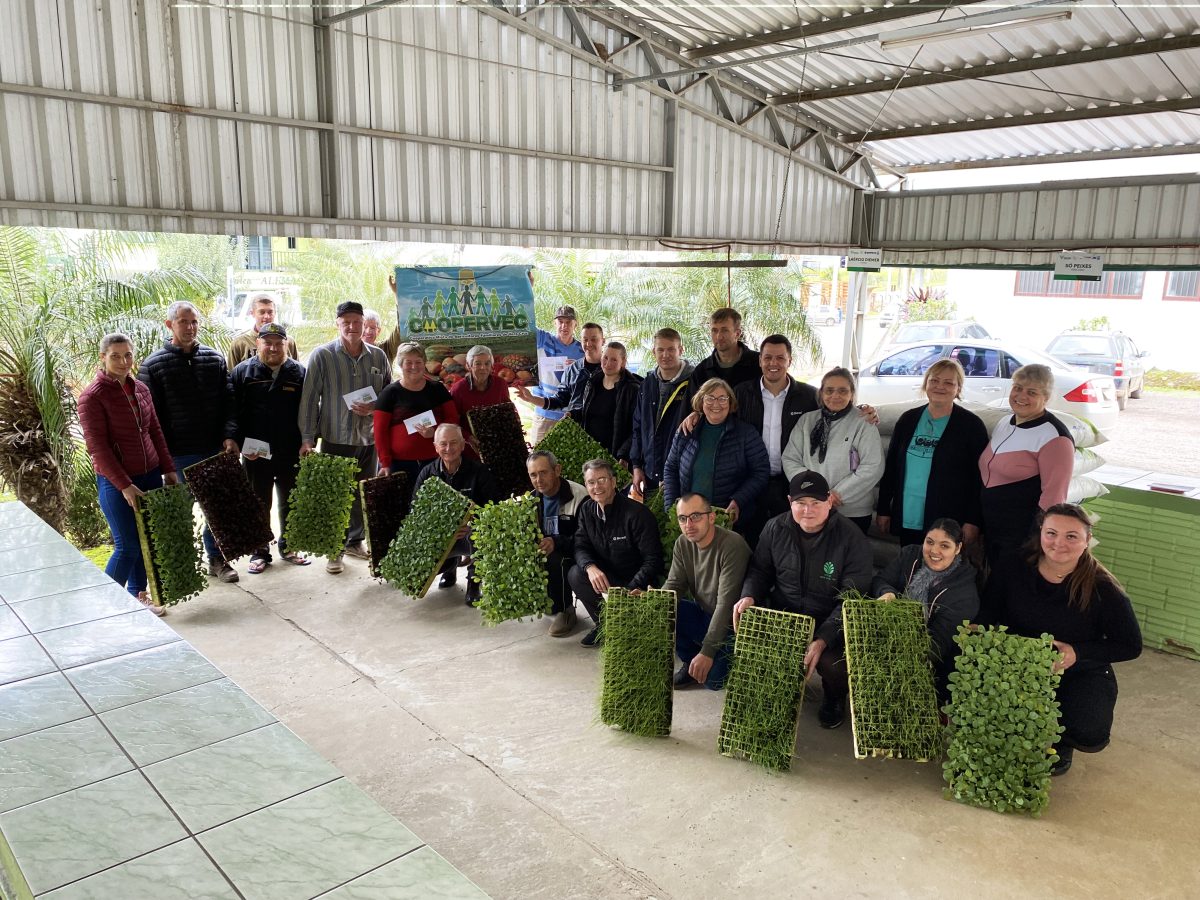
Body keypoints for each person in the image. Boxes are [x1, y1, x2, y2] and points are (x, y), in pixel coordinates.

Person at [979, 503, 1142, 776]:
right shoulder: (1013, 566)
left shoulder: (1103, 588)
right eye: (1051, 533)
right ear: (1041, 532)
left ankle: (1061, 742)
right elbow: (989, 610)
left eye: (1071, 536)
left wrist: (1077, 652)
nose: (1059, 543)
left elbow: (1130, 645)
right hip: (1019, 665)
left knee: (1087, 726)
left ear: (1087, 540)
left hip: (1077, 670)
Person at [734, 470, 874, 729]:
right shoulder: (775, 528)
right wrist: (749, 596)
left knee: (834, 664)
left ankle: (834, 697)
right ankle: (780, 690)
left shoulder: (850, 537)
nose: (807, 511)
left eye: (816, 503)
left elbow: (852, 597)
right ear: (790, 502)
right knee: (755, 651)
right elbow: (760, 570)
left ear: (830, 501)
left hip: (830, 620)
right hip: (785, 613)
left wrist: (822, 639)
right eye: (800, 503)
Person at [138, 301, 239, 583]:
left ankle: (218, 560)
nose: (190, 327)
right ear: (170, 325)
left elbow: (229, 402)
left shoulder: (214, 359)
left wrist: (229, 436)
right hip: (177, 455)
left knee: (218, 511)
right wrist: (163, 458)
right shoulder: (153, 365)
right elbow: (149, 418)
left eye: (194, 322)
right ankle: (181, 570)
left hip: (213, 450)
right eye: (184, 322)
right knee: (179, 515)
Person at [78, 333, 179, 615]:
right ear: (103, 357)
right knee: (127, 546)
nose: (123, 362)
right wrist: (124, 485)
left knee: (145, 540)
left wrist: (168, 468)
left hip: (150, 474)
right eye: (115, 356)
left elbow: (155, 431)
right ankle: (105, 611)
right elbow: (97, 448)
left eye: (128, 355)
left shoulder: (141, 389)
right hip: (115, 482)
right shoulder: (92, 397)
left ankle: (138, 596)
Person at [299, 300, 392, 574]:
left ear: (365, 324)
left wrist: (375, 407)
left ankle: (355, 541)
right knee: (334, 496)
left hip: (369, 438)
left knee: (361, 494)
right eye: (346, 322)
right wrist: (307, 438)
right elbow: (309, 400)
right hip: (335, 437)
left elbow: (388, 395)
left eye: (357, 321)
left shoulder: (378, 357)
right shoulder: (322, 355)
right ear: (338, 324)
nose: (352, 327)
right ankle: (334, 550)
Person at [876, 358, 989, 549]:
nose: (940, 387)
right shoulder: (908, 420)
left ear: (958, 389)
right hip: (908, 514)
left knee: (941, 574)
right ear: (925, 384)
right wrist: (883, 509)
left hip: (948, 519)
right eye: (934, 381)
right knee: (909, 568)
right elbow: (892, 468)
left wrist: (973, 521)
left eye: (948, 383)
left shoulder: (971, 426)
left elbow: (980, 478)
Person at [228, 323, 310, 574]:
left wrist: (308, 440)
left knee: (291, 500)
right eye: (268, 343)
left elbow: (308, 411)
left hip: (289, 450)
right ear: (258, 345)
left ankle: (290, 546)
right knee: (258, 502)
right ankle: (259, 551)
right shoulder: (243, 372)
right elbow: (232, 411)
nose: (273, 348)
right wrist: (238, 442)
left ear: (287, 345)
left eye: (278, 343)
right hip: (255, 453)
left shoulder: (299, 372)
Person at [871, 518, 980, 701]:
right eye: (929, 542)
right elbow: (881, 580)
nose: (934, 551)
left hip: (924, 657)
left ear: (958, 548)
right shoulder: (909, 555)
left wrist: (900, 658)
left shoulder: (965, 593)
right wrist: (887, 592)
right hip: (884, 633)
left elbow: (939, 643)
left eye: (945, 546)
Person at [979, 363, 1075, 567]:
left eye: (1032, 392)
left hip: (1020, 538)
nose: (1021, 396)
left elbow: (1054, 497)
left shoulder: (1054, 436)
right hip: (991, 529)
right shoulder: (1005, 423)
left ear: (1046, 398)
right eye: (1018, 388)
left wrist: (1035, 541)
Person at [661, 493, 752, 691]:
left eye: (696, 516)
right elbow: (674, 585)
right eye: (682, 519)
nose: (689, 524)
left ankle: (733, 663)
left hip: (732, 626)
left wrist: (708, 652)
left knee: (712, 681)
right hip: (705, 613)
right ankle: (690, 660)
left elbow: (726, 605)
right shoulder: (683, 544)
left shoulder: (732, 545)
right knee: (664, 613)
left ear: (711, 517)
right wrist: (652, 602)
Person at [568, 459, 664, 647]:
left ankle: (627, 623)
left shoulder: (637, 514)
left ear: (614, 481)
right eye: (591, 482)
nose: (597, 487)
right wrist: (590, 567)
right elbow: (580, 546)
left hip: (636, 584)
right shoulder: (587, 510)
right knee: (575, 574)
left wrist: (629, 590)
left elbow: (653, 561)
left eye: (602, 479)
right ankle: (604, 625)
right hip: (608, 579)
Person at [733, 334, 818, 543]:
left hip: (791, 483)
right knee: (754, 541)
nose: (773, 363)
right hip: (751, 482)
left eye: (780, 358)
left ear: (790, 361)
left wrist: (863, 411)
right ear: (760, 360)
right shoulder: (741, 393)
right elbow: (716, 412)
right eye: (768, 357)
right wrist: (696, 413)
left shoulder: (809, 396)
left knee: (791, 542)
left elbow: (837, 409)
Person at [782, 367, 883, 535]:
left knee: (846, 560)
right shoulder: (807, 420)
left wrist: (836, 495)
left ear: (852, 394)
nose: (835, 396)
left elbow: (873, 466)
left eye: (843, 391)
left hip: (852, 511)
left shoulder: (864, 421)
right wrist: (812, 491)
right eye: (829, 390)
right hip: (811, 508)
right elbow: (790, 459)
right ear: (821, 393)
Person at [662, 378, 769, 532]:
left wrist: (738, 500)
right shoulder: (686, 430)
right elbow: (670, 467)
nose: (716, 404)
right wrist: (671, 507)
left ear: (730, 402)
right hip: (690, 520)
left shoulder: (746, 433)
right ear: (701, 402)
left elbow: (761, 472)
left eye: (722, 398)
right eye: (710, 398)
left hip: (726, 519)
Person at [412, 424, 500, 606]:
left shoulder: (479, 472)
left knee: (484, 535)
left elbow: (494, 509)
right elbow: (416, 512)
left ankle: (474, 583)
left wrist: (472, 524)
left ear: (462, 445)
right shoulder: (427, 474)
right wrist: (444, 528)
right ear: (435, 447)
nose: (448, 449)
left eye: (453, 443)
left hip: (471, 533)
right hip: (440, 535)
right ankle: (448, 568)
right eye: (443, 444)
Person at [374, 341, 460, 484]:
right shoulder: (389, 393)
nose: (414, 367)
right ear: (401, 365)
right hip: (399, 465)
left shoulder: (438, 389)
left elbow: (453, 419)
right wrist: (385, 462)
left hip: (435, 461)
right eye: (408, 362)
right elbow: (379, 431)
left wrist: (435, 432)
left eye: (418, 362)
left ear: (424, 363)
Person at [527, 450, 589, 637]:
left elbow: (587, 538)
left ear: (557, 470)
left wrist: (556, 542)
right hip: (547, 549)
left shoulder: (579, 496)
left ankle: (566, 610)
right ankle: (543, 600)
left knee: (555, 559)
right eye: (533, 475)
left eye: (543, 472)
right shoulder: (532, 499)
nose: (539, 480)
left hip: (576, 552)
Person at [629, 327, 694, 497]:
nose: (665, 355)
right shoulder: (647, 383)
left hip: (682, 476)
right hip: (650, 474)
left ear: (681, 350)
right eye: (661, 350)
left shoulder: (694, 383)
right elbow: (638, 427)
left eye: (671, 349)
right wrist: (636, 466)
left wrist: (678, 471)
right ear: (653, 352)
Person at [564, 341, 642, 463]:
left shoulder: (632, 389)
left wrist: (624, 455)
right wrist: (573, 415)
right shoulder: (593, 382)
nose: (608, 363)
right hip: (591, 452)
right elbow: (590, 412)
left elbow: (638, 428)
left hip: (616, 457)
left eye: (614, 360)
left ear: (623, 362)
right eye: (605, 358)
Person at [518, 321, 603, 431]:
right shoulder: (573, 369)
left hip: (603, 433)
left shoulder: (611, 370)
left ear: (603, 341)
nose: (588, 343)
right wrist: (531, 398)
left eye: (594, 339)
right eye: (585, 340)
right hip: (576, 432)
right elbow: (560, 400)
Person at [531, 305, 585, 443]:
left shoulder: (582, 351)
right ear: (554, 323)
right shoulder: (544, 340)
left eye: (568, 322)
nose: (564, 326)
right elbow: (526, 323)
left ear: (575, 324)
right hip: (544, 414)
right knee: (537, 459)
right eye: (560, 321)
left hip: (570, 417)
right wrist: (526, 288)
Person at [450, 345, 512, 457]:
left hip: (497, 446)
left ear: (491, 366)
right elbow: (453, 421)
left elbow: (508, 411)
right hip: (469, 448)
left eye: (487, 363)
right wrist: (467, 437)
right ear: (468, 366)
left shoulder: (500, 384)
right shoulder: (458, 389)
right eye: (478, 363)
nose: (483, 367)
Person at [688, 307, 760, 391]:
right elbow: (692, 403)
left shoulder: (759, 364)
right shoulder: (701, 371)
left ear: (737, 333)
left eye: (724, 330)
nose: (719, 336)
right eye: (714, 331)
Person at [226, 293, 300, 368]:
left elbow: (297, 370)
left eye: (270, 312)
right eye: (262, 312)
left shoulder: (288, 341)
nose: (266, 316)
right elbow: (232, 375)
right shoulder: (240, 344)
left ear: (275, 313)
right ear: (252, 313)